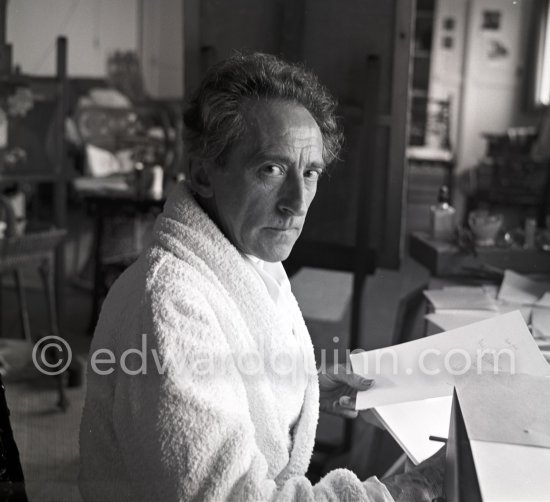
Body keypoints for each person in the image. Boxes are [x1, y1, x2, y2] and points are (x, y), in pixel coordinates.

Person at [79, 52, 444, 501]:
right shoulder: (167, 305)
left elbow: (234, 366)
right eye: (270, 169)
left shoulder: (247, 254)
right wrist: (399, 491)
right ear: (202, 172)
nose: (296, 201)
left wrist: (303, 383)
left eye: (310, 173)